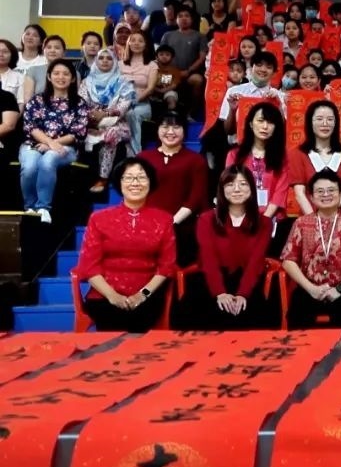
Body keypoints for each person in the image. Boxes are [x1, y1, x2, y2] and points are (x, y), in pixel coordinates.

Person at [77, 158, 175, 332]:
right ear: (119, 183)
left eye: (141, 177)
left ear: (150, 183)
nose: (135, 183)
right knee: (111, 316)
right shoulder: (98, 218)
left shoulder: (164, 219)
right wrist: (112, 296)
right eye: (129, 177)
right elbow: (89, 267)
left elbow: (166, 267)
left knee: (140, 316)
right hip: (104, 296)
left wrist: (142, 295)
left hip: (147, 296)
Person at [281, 170, 341, 331]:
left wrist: (340, 288)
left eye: (331, 190)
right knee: (298, 311)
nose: (326, 195)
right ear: (311, 197)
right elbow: (288, 261)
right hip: (309, 289)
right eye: (320, 191)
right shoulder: (302, 223)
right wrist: (311, 289)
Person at [186, 165, 273, 330]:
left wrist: (242, 294)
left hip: (248, 282)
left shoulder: (264, 223)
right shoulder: (206, 219)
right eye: (230, 184)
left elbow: (256, 262)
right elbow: (208, 259)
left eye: (243, 184)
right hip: (211, 282)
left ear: (252, 189)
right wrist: (220, 293)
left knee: (252, 317)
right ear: (222, 189)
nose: (237, 189)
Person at [20, 60, 89, 224]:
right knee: (29, 166)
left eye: (66, 74)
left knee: (48, 160)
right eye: (56, 73)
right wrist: (49, 142)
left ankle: (43, 207)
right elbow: (31, 127)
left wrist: (52, 144)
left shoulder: (79, 103)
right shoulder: (37, 100)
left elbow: (77, 133)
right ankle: (30, 207)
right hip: (34, 144)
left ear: (73, 78)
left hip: (65, 147)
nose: (61, 77)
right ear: (49, 77)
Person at [138, 112, 208, 265]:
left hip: (181, 227)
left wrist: (172, 222)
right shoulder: (143, 158)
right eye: (165, 127)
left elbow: (195, 197)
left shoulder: (196, 160)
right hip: (146, 225)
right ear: (157, 129)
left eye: (176, 127)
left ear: (184, 130)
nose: (170, 132)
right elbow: (136, 191)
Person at [78, 48, 134, 193]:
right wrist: (92, 116)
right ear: (96, 61)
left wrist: (105, 113)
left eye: (109, 58)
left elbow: (123, 107)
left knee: (111, 134)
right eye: (101, 58)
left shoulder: (123, 82)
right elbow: (81, 104)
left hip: (116, 123)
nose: (104, 61)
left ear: (115, 62)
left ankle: (103, 178)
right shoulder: (86, 82)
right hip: (91, 122)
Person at [287, 101, 341, 215]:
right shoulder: (297, 154)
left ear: (335, 123)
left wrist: (328, 214)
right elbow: (299, 193)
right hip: (308, 215)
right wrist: (314, 219)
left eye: (330, 119)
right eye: (319, 119)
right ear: (310, 122)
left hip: (339, 216)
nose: (325, 123)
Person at [226, 101, 289, 221]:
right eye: (260, 120)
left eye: (270, 122)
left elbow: (280, 191)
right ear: (251, 124)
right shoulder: (234, 155)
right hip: (240, 217)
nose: (265, 126)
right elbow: (231, 187)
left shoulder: (283, 156)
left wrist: (264, 220)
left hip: (272, 219)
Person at [118, 30, 158, 154]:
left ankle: (135, 154)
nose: (136, 43)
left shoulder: (152, 65)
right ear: (128, 43)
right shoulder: (119, 64)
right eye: (133, 40)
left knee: (132, 114)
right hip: (121, 103)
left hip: (142, 103)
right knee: (127, 113)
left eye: (140, 41)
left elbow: (150, 88)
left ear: (146, 45)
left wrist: (134, 101)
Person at [0, 38, 25, 110]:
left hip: (10, 115)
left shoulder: (19, 77)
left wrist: (13, 117)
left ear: (12, 55)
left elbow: (21, 103)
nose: (1, 54)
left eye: (5, 52)